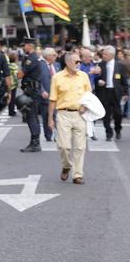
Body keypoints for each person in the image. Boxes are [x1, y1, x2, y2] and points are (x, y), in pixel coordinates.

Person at [48, 52, 92, 184]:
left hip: (80, 114)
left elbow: (89, 95)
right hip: (63, 114)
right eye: (76, 62)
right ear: (67, 63)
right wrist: (50, 118)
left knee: (80, 147)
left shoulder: (84, 76)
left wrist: (85, 106)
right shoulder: (57, 77)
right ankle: (66, 166)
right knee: (63, 146)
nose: (79, 64)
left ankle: (77, 175)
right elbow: (52, 99)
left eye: (80, 61)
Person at [95, 45, 129, 141]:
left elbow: (124, 81)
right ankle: (108, 133)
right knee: (106, 115)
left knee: (118, 114)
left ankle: (118, 129)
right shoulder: (100, 65)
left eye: (105, 54)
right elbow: (96, 78)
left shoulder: (120, 66)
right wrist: (98, 81)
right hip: (105, 92)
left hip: (116, 93)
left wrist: (126, 93)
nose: (103, 55)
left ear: (111, 55)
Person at [20, 38, 43, 153]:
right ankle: (34, 141)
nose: (23, 48)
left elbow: (20, 74)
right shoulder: (30, 58)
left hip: (31, 91)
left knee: (31, 116)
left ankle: (35, 143)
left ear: (29, 46)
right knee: (31, 116)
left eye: (24, 45)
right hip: (31, 89)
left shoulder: (31, 59)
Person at [39, 47, 59, 142]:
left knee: (57, 116)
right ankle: (48, 134)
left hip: (58, 96)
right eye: (54, 55)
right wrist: (42, 91)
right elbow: (37, 80)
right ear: (48, 56)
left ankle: (57, 134)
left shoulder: (57, 65)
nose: (56, 56)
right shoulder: (40, 65)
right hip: (46, 95)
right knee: (46, 115)